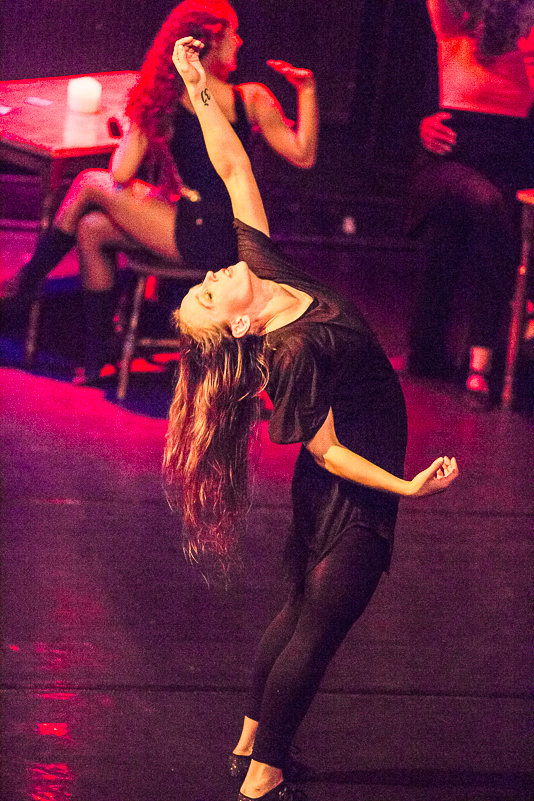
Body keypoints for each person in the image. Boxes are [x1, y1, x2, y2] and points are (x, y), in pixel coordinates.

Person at [165, 36, 459, 801]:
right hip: (349, 487)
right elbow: (326, 451)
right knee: (318, 627)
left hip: (342, 477)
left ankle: (248, 741)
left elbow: (234, 167)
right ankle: (264, 776)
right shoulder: (288, 350)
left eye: (201, 283)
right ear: (236, 326)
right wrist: (405, 487)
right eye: (206, 295)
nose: (210, 275)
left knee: (299, 608)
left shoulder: (266, 274)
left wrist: (196, 84)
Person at [4, 0, 318, 384]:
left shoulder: (171, 98)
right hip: (230, 233)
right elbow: (304, 154)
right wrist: (306, 90)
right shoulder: (252, 98)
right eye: (232, 34)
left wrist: (136, 118)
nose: (238, 41)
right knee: (91, 229)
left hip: (202, 233)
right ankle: (97, 357)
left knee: (88, 183)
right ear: (208, 41)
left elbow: (120, 172)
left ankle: (24, 286)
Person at [407, 0, 534, 405]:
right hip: (447, 165)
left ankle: (442, 356)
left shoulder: (526, 47)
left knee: (466, 235)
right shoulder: (454, 32)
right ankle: (480, 358)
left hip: (506, 170)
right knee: (486, 203)